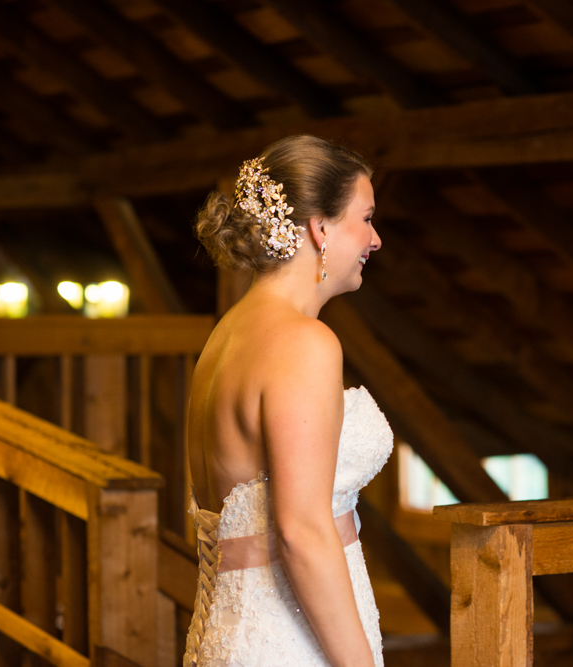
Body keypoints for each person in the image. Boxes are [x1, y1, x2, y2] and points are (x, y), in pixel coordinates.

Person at [183, 135, 389, 667]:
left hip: (230, 633)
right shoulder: (304, 343)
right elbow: (300, 530)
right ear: (320, 228)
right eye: (365, 218)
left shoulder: (225, 337)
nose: (376, 239)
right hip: (289, 642)